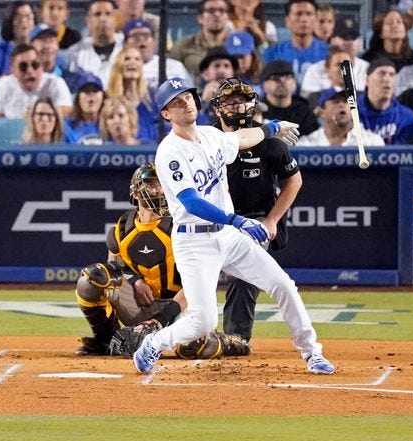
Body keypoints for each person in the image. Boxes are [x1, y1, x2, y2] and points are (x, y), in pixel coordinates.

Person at [128, 77, 335, 376]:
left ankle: (312, 352)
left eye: (188, 96)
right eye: (177, 101)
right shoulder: (170, 151)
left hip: (227, 236)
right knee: (203, 322)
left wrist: (274, 127)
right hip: (195, 242)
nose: (186, 103)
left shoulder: (211, 136)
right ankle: (154, 343)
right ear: (166, 113)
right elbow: (191, 202)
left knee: (283, 285)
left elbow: (242, 139)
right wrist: (236, 220)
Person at [75, 162, 248, 357]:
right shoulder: (122, 228)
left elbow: (201, 281)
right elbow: (116, 268)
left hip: (180, 307)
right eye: (151, 184)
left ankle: (224, 341)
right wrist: (136, 281)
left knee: (194, 346)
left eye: (161, 184)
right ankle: (105, 340)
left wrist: (161, 318)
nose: (158, 190)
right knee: (92, 278)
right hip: (140, 306)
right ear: (135, 192)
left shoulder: (184, 224)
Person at [208, 78, 301, 348]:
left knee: (245, 269)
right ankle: (174, 330)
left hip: (255, 217)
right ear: (217, 108)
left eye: (243, 101)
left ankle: (236, 337)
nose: (238, 106)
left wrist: (272, 219)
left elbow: (294, 180)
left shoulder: (270, 144)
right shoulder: (207, 139)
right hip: (215, 217)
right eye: (230, 102)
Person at [0, 42, 72, 119]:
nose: (30, 70)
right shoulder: (3, 84)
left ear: (42, 67)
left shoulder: (55, 83)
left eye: (35, 65)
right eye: (23, 66)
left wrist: (37, 114)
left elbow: (67, 110)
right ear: (13, 70)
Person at [300, 20, 369, 100]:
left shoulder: (367, 68)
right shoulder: (314, 70)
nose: (350, 42)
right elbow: (308, 102)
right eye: (345, 37)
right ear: (332, 40)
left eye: (354, 38)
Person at [262, 0, 330, 81]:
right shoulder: (272, 53)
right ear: (287, 21)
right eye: (298, 14)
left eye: (309, 14)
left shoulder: (330, 53)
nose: (304, 19)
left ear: (315, 19)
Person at [357, 57, 413, 145]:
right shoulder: (352, 111)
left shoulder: (406, 116)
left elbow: (404, 151)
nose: (387, 79)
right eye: (381, 74)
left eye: (392, 75)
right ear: (367, 80)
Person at [63, 0, 123, 88]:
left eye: (108, 14)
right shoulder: (74, 53)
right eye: (97, 14)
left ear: (116, 19)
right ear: (88, 20)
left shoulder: (127, 47)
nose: (102, 19)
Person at [297, 87, 386, 146]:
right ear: (321, 112)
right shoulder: (307, 144)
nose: (342, 105)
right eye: (336, 102)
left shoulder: (371, 142)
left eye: (346, 101)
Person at [169, 0, 232, 83]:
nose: (217, 14)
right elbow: (170, 74)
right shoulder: (183, 44)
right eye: (211, 10)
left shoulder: (238, 44)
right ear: (200, 18)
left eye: (222, 10)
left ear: (228, 17)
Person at [105, 46, 157, 142]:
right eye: (127, 59)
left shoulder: (153, 97)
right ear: (118, 65)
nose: (132, 62)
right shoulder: (107, 98)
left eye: (137, 59)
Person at [124, 18, 192, 92]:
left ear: (154, 41)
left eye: (146, 35)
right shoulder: (119, 67)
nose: (141, 39)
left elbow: (190, 94)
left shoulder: (174, 66)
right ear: (125, 43)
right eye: (135, 36)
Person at [259, 60, 319, 136]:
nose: (282, 81)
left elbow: (313, 139)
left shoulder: (304, 111)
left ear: (295, 83)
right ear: (263, 85)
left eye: (287, 76)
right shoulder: (257, 110)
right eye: (274, 77)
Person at [0, 1, 35, 76]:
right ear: (10, 22)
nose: (24, 21)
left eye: (29, 16)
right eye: (18, 17)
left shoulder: (42, 49)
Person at [64, 73, 105, 144]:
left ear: (103, 96)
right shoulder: (66, 126)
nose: (91, 95)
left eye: (95, 91)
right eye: (86, 91)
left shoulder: (110, 124)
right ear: (78, 98)